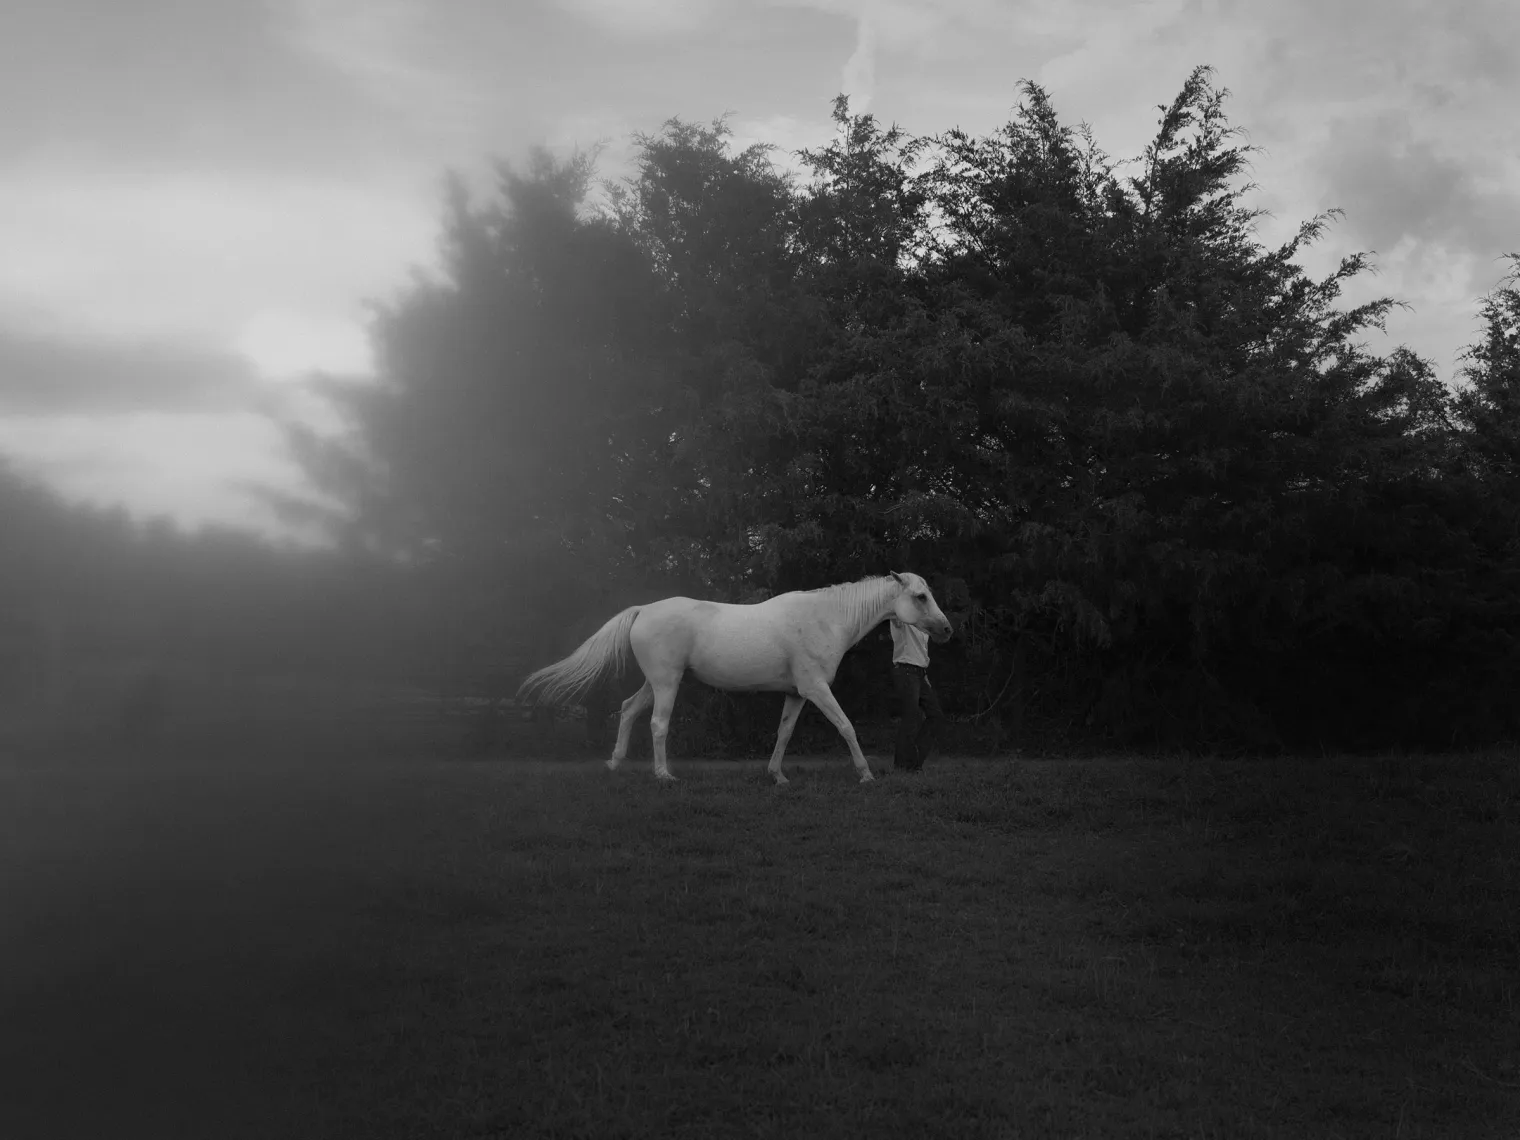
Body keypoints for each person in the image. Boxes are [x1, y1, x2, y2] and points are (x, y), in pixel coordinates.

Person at [890, 614, 943, 772]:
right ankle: (902, 767)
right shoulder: (903, 619)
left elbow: (922, 651)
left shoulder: (924, 623)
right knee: (911, 718)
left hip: (920, 673)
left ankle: (914, 761)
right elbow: (896, 612)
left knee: (936, 716)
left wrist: (924, 675)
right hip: (905, 670)